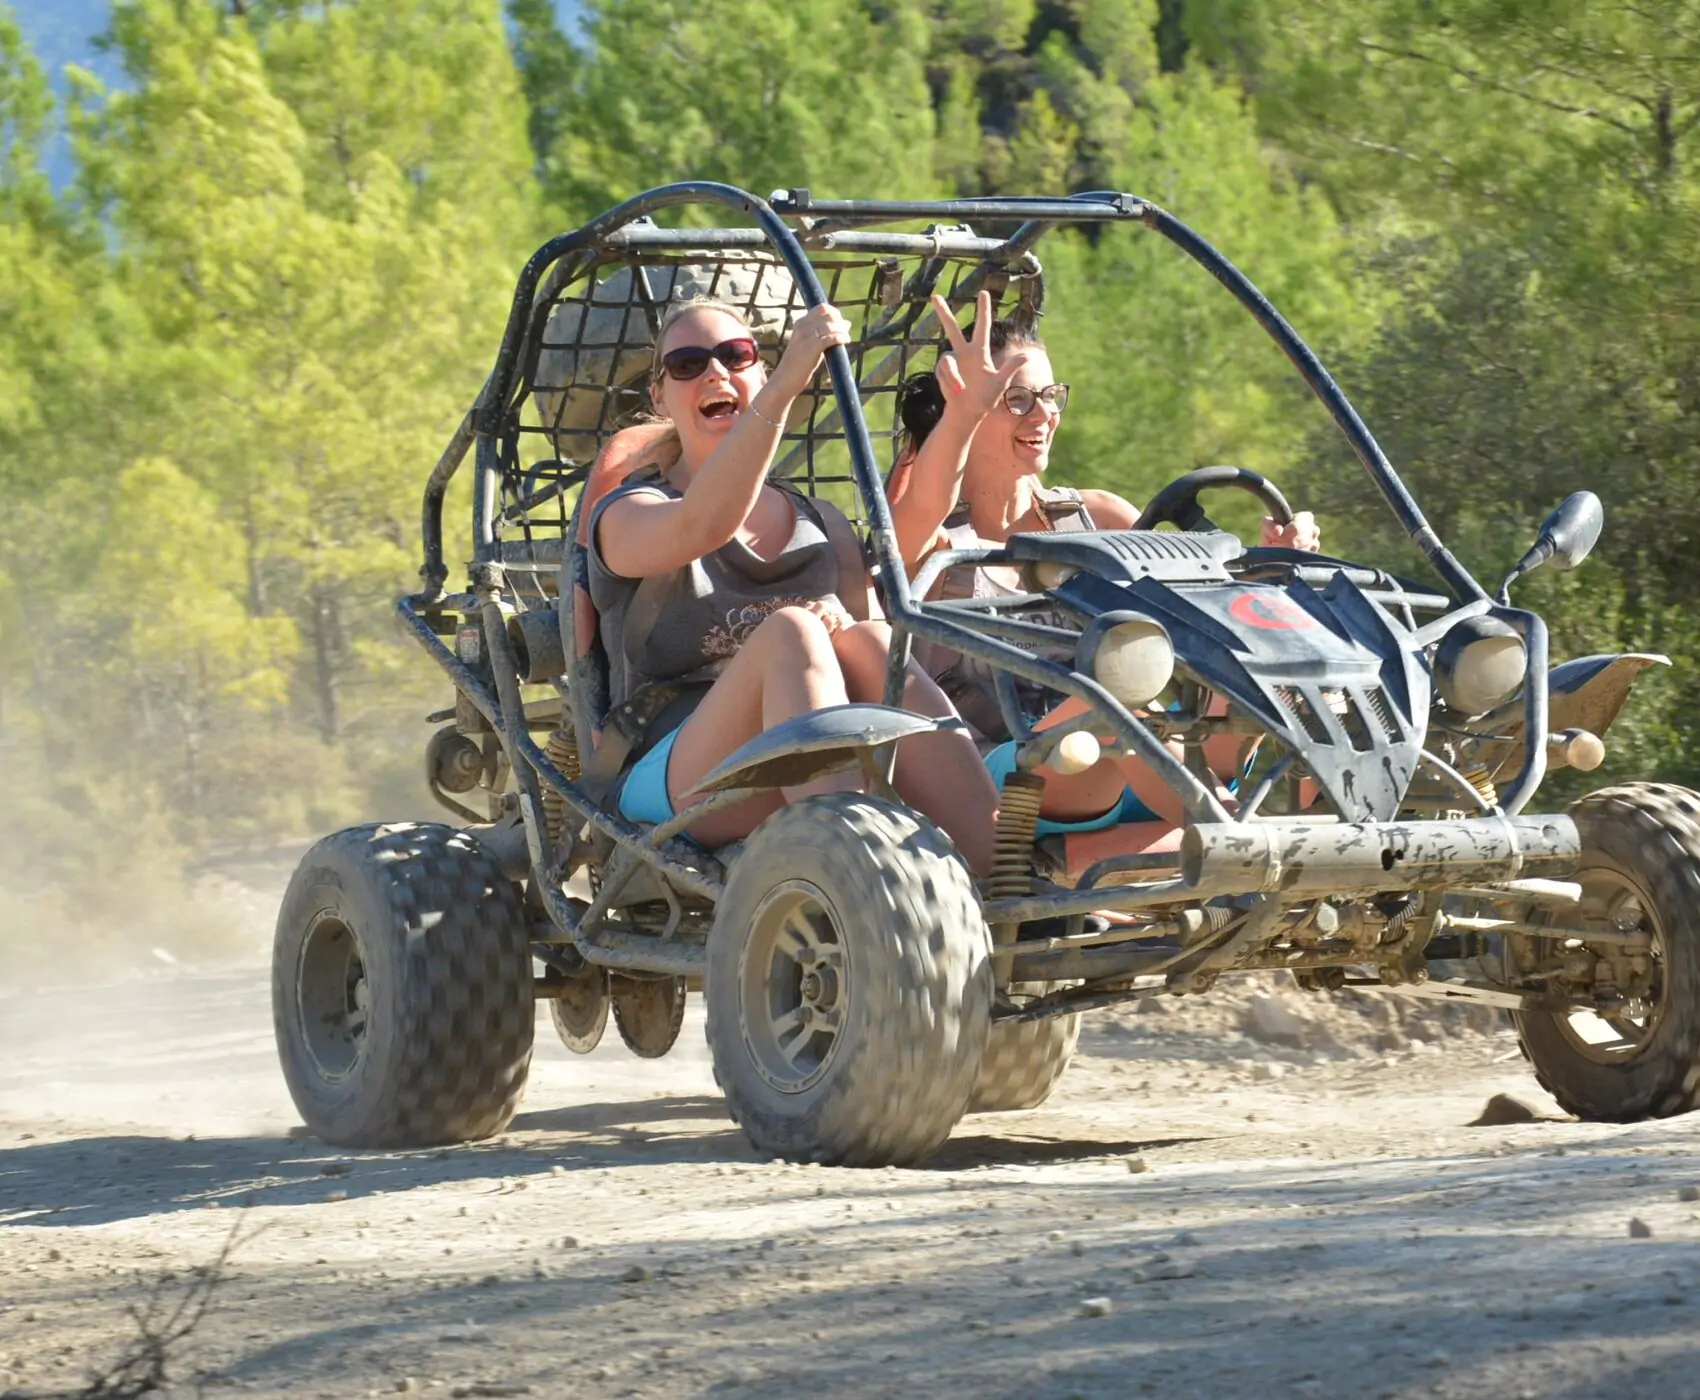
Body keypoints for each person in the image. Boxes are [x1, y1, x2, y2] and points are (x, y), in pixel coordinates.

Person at [586, 295, 998, 871]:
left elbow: (904, 555)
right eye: (688, 364)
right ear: (659, 395)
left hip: (821, 772)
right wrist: (782, 389)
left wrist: (965, 417)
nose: (715, 372)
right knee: (793, 633)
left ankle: (1006, 878)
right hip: (673, 777)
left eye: (735, 355)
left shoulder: (820, 521)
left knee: (872, 642)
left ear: (755, 368)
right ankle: (867, 878)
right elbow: (703, 523)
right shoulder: (628, 513)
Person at [886, 292, 1322, 836]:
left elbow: (1208, 611)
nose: (1044, 414)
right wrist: (962, 415)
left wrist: (1280, 566)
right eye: (1017, 400)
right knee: (1105, 708)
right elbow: (915, 516)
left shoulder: (1097, 516)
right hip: (1002, 776)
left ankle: (1364, 842)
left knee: (1286, 679)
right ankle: (1240, 843)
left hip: (1141, 765)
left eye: (1050, 396)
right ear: (968, 404)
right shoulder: (931, 537)